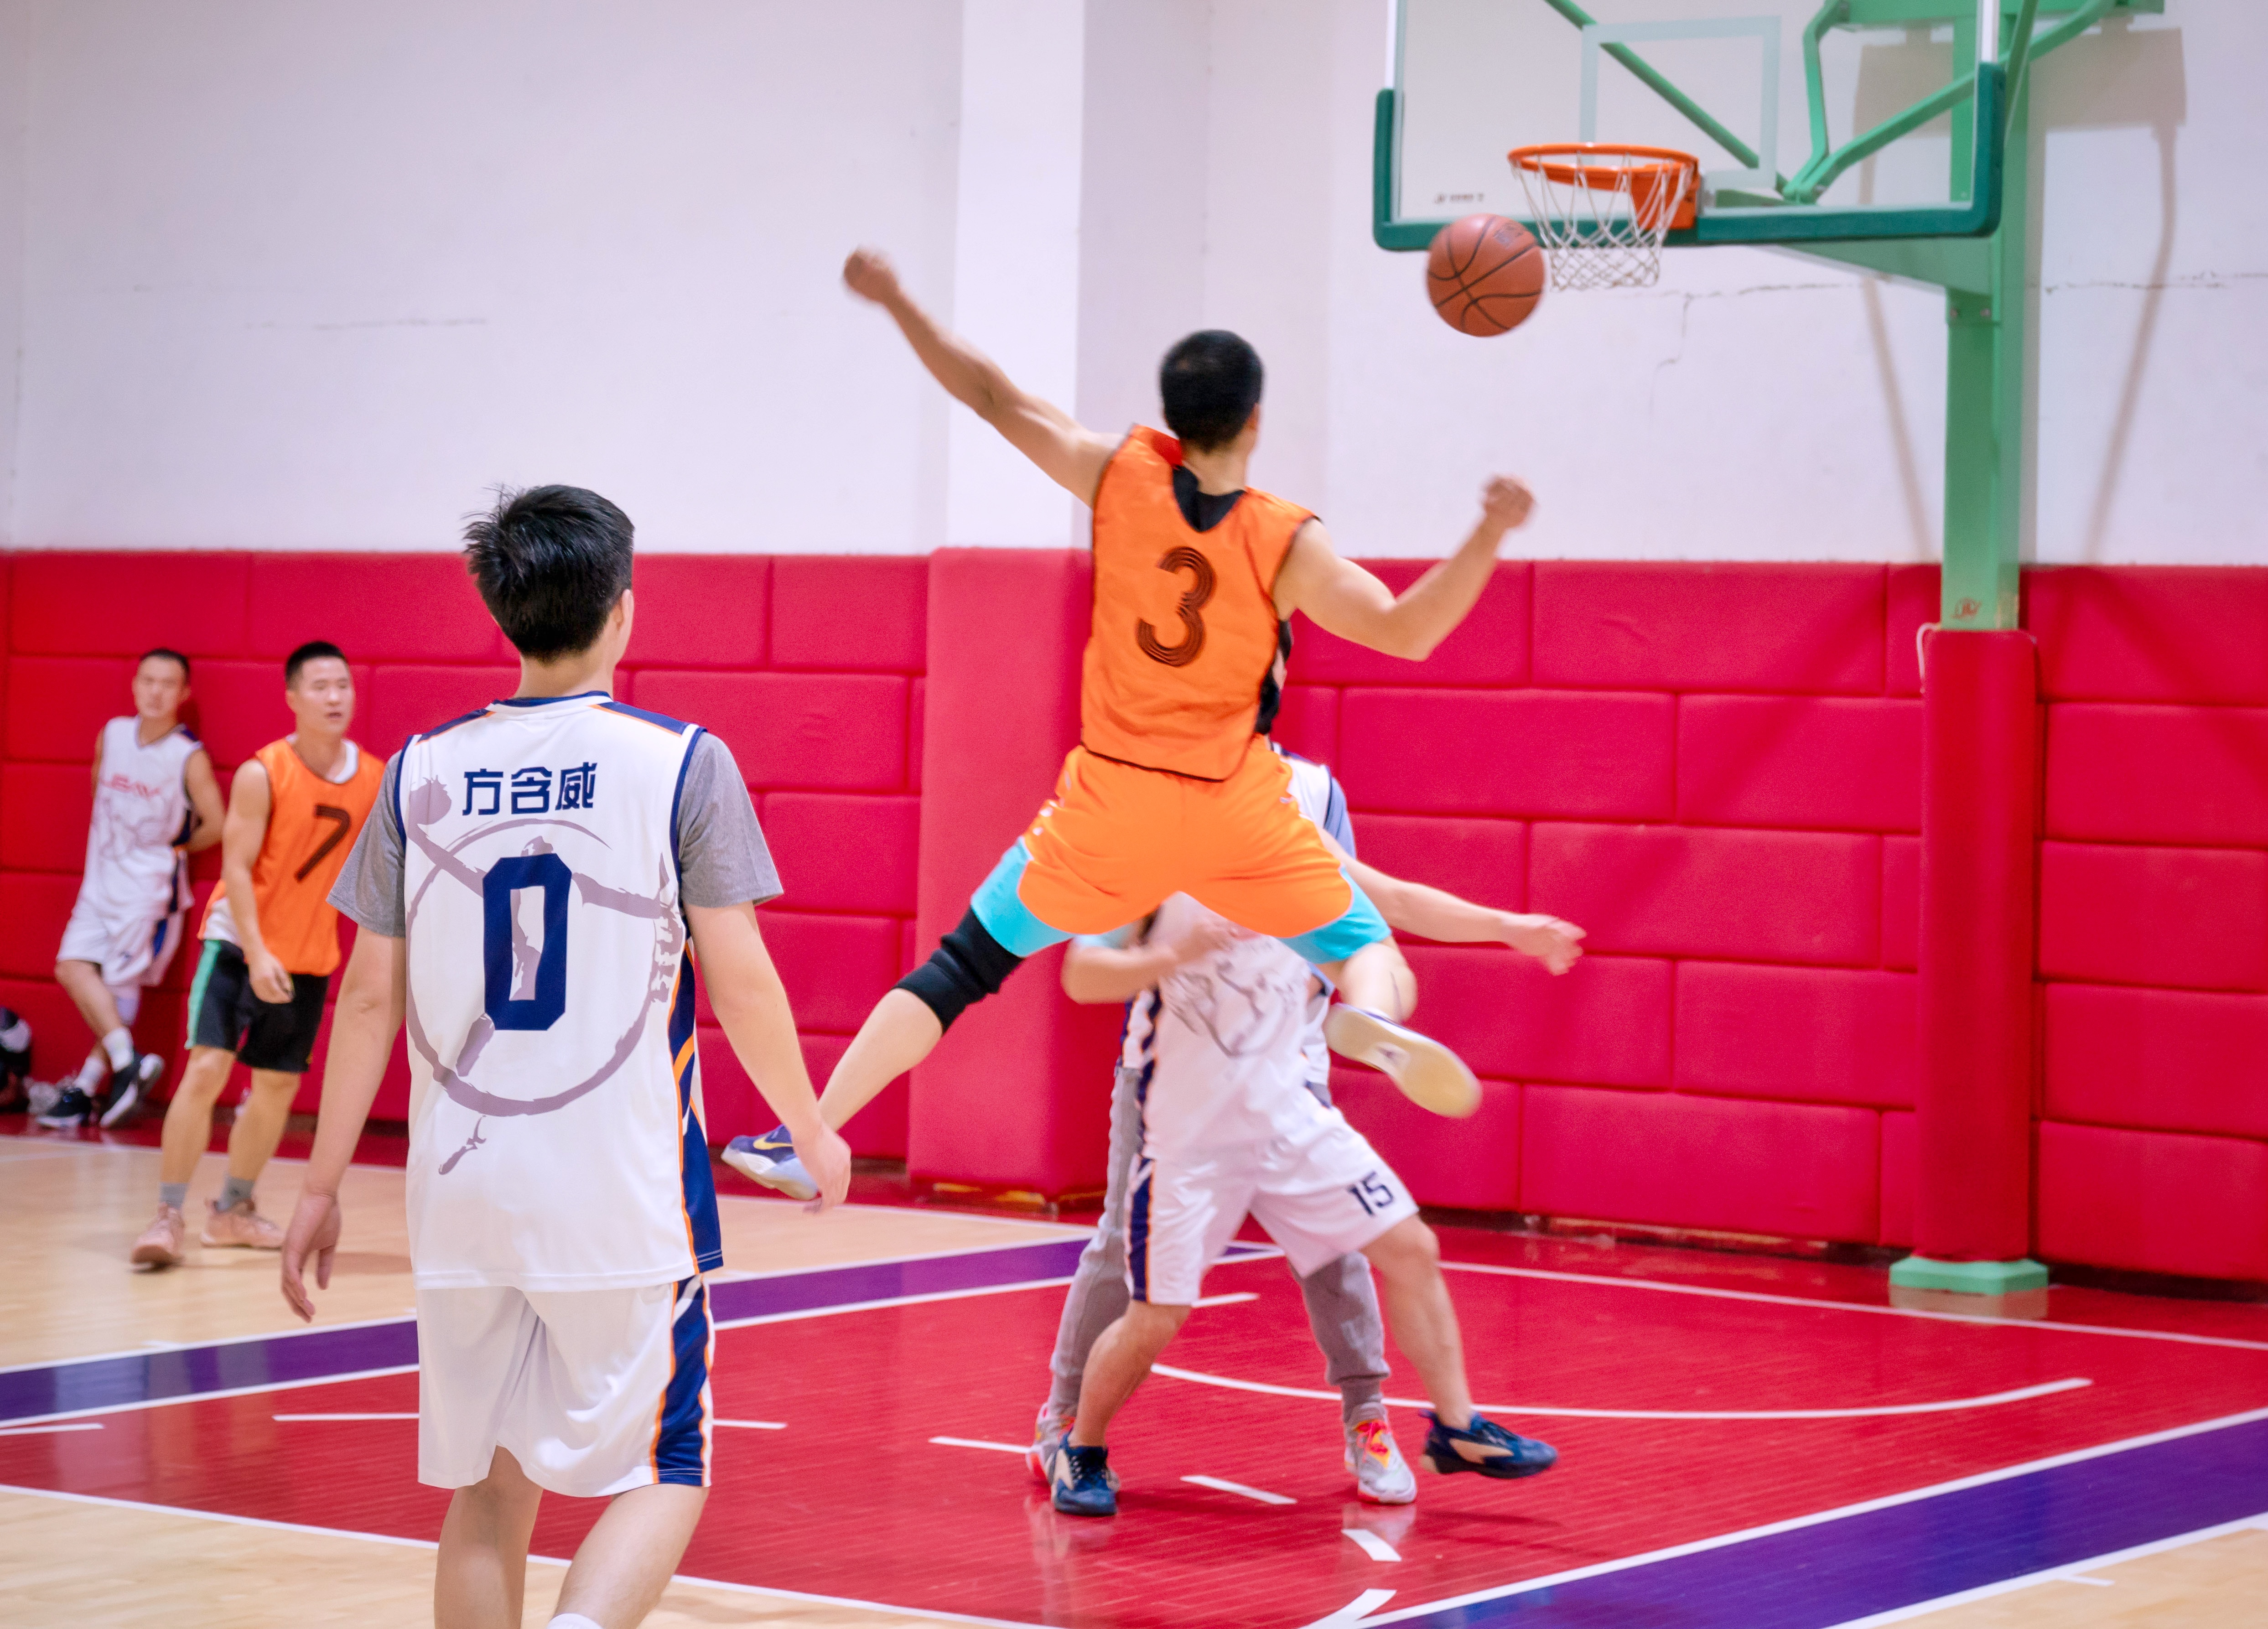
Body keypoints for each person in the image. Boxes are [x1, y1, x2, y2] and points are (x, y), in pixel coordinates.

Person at [727, 248, 1538, 1191]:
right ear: (1255, 420)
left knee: (963, 965)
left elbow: (990, 396)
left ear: (1173, 419)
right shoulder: (1286, 540)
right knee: (1368, 947)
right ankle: (1367, 1012)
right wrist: (1486, 533)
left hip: (1112, 805)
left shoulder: (1118, 476)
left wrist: (899, 301)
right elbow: (1407, 631)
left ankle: (807, 1137)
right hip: (1234, 808)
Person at [280, 485, 851, 1629]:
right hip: (619, 1190)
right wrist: (812, 1126)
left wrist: (322, 1185)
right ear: (623, 609)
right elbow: (740, 980)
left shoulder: (416, 769)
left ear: (501, 611)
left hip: (462, 1191)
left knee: (489, 1487)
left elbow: (368, 997)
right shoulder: (681, 761)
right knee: (670, 1464)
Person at [129, 641, 383, 1266]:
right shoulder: (262, 772)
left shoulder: (375, 778)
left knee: (276, 1084)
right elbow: (237, 868)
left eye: (343, 685)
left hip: (308, 955)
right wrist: (259, 950)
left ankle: (232, 1211)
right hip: (239, 942)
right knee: (208, 1069)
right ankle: (167, 1215)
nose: (334, 697)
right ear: (292, 697)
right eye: (320, 686)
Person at [40, 648, 223, 1130]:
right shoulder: (114, 733)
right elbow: (97, 789)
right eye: (148, 680)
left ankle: (87, 1088)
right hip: (99, 880)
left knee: (120, 987)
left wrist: (172, 848)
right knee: (70, 967)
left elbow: (218, 823)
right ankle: (128, 1063)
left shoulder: (188, 755)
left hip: (147, 891)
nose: (156, 692)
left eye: (168, 684)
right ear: (135, 684)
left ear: (183, 694)